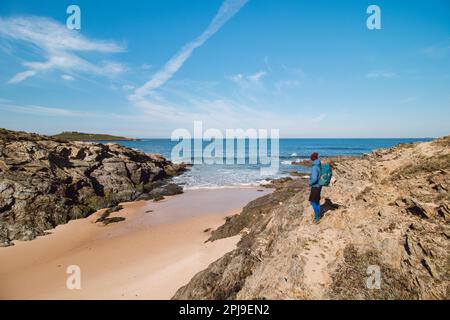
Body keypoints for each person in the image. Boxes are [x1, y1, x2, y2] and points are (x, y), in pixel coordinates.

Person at [308, 152, 322, 223]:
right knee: (317, 201)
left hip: (315, 186)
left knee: (313, 202)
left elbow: (314, 179)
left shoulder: (314, 167)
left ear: (313, 158)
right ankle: (319, 215)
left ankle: (317, 218)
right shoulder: (319, 165)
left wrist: (309, 183)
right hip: (319, 186)